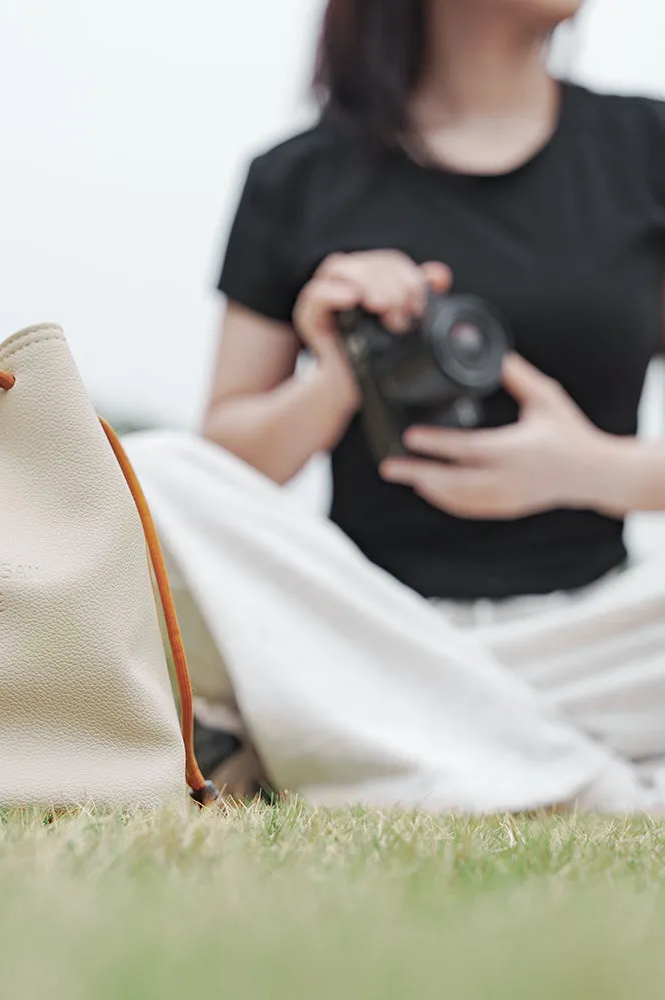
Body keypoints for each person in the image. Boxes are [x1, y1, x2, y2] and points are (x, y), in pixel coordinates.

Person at [122, 0, 665, 813]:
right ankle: (586, 774)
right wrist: (335, 376)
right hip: (367, 629)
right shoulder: (297, 177)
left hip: (589, 634)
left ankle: (393, 752)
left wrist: (585, 469)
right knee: (154, 475)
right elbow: (223, 469)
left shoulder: (646, 149)